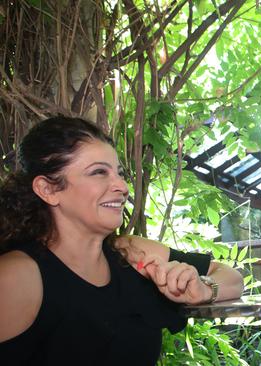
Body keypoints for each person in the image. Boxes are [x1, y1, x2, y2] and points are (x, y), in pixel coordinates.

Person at [0, 117, 244, 365]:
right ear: (48, 189)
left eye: (119, 173)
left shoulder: (130, 253)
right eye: (98, 172)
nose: (122, 186)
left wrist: (204, 288)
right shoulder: (18, 275)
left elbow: (232, 278)